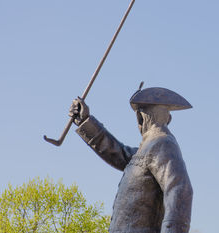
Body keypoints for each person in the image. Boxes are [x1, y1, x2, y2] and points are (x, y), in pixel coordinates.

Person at [69, 84, 193, 233]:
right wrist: (85, 121)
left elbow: (179, 191)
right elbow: (118, 153)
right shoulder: (147, 149)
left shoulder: (163, 143)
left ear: (140, 117)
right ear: (169, 118)